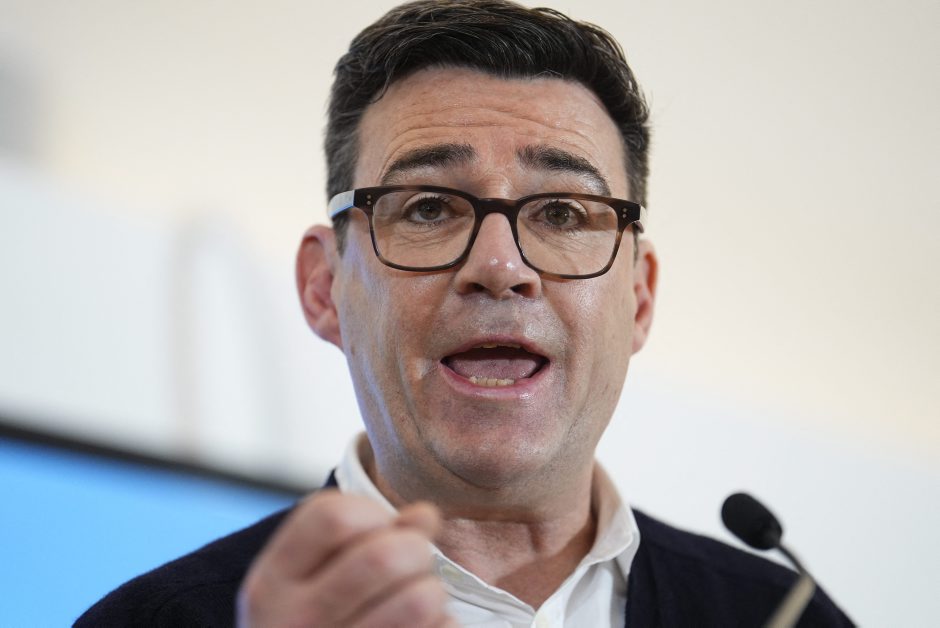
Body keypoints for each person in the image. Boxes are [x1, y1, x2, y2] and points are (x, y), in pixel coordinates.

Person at [77, 1, 852, 626]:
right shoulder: (153, 622)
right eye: (428, 208)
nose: (501, 267)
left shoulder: (782, 615)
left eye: (562, 213)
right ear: (324, 287)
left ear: (640, 297)